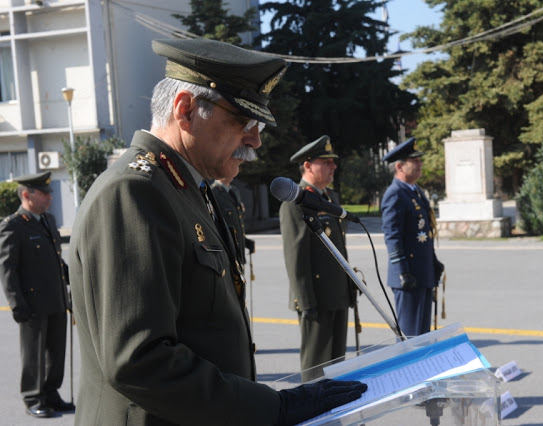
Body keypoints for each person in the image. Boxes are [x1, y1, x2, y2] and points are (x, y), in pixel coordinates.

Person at [68, 39, 366, 425]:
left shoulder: (188, 189)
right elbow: (139, 360)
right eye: (244, 122)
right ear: (186, 111)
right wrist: (272, 408)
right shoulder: (135, 192)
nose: (255, 140)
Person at [279, 135, 355, 381]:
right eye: (326, 162)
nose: (334, 167)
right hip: (316, 296)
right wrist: (306, 300)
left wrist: (349, 285)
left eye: (334, 162)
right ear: (308, 165)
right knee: (316, 367)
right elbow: (295, 255)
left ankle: (333, 415)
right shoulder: (295, 201)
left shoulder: (331, 198)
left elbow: (339, 249)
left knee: (337, 365)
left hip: (337, 293)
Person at [0, 171, 75, 418]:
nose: (49, 198)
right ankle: (33, 397)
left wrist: (74, 276)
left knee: (56, 352)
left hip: (55, 298)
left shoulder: (48, 221)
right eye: (44, 194)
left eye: (49, 193)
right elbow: (8, 269)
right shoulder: (14, 226)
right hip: (32, 303)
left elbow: (54, 259)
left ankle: (51, 395)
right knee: (34, 354)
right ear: (26, 195)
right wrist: (16, 303)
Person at [381, 138, 444, 338]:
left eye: (419, 161)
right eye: (414, 161)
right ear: (399, 166)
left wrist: (433, 262)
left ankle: (421, 370)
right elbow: (392, 236)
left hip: (422, 272)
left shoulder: (416, 192)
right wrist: (402, 271)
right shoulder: (395, 194)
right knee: (410, 337)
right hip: (408, 276)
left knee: (422, 335)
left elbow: (424, 234)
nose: (419, 164)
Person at [211, 177, 255, 266]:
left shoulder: (234, 191)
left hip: (239, 254)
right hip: (226, 256)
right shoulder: (213, 193)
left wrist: (245, 241)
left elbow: (235, 222)